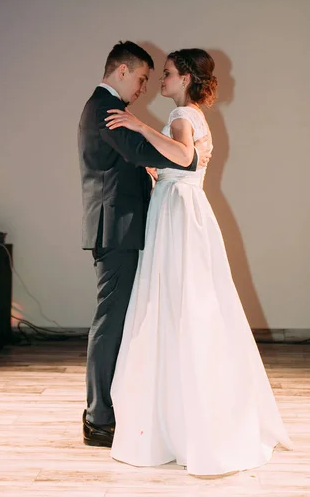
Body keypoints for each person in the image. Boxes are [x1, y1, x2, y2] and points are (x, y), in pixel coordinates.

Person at [104, 48, 292, 476]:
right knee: (190, 301)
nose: (162, 82)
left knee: (176, 302)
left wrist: (137, 125)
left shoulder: (183, 116)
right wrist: (159, 170)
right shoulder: (194, 116)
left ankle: (175, 419)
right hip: (186, 205)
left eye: (168, 74)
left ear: (186, 78)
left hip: (177, 211)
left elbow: (185, 156)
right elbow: (182, 166)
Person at [78, 41, 211, 448]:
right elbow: (140, 153)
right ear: (121, 71)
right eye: (140, 78)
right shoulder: (105, 109)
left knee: (122, 320)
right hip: (115, 230)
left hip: (121, 228)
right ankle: (98, 417)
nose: (143, 88)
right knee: (111, 321)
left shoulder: (107, 108)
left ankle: (112, 409)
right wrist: (183, 158)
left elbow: (135, 161)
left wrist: (158, 161)